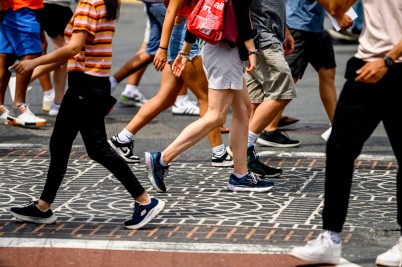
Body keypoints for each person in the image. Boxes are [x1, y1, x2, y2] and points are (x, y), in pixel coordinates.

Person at [9, 0, 165, 229]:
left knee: (96, 148)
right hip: (92, 85)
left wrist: (35, 63)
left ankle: (145, 200)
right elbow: (76, 50)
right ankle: (43, 206)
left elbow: (73, 47)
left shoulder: (89, 4)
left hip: (85, 86)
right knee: (63, 145)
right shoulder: (105, 3)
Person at [290, 0, 402, 265]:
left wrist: (387, 60)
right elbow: (339, 6)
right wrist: (336, 10)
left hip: (396, 67)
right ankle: (330, 238)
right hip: (365, 65)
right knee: (339, 149)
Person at [144, 0, 275, 193]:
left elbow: (199, 14)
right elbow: (241, 14)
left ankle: (240, 175)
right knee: (216, 115)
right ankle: (162, 159)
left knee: (244, 109)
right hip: (225, 52)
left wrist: (185, 50)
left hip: (219, 49)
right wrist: (253, 50)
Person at [108, 0, 232, 168]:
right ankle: (219, 154)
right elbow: (170, 11)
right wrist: (162, 48)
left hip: (183, 33)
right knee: (206, 99)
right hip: (188, 37)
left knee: (166, 97)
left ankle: (122, 139)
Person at [257, 0, 353, 147]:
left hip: (314, 25)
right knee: (289, 78)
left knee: (328, 72)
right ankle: (269, 130)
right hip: (300, 25)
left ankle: (337, 128)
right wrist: (338, 14)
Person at [240, 0, 297, 176]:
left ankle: (245, 161)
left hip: (268, 36)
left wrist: (284, 30)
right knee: (282, 92)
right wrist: (251, 44)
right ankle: (243, 149)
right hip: (261, 39)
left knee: (256, 101)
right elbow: (242, 7)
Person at [0, 0, 46, 126]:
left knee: (6, 55)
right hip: (19, 7)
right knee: (30, 53)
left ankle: (1, 108)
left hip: (15, 8)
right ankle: (18, 108)